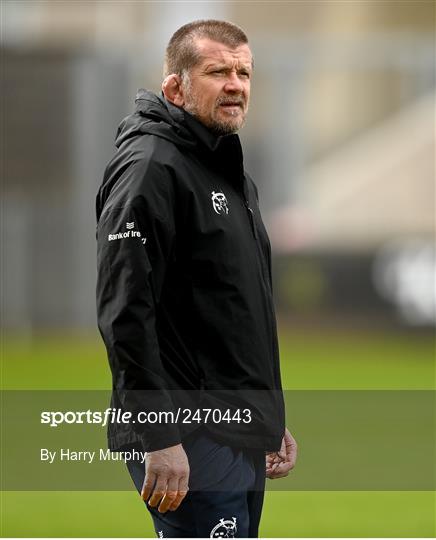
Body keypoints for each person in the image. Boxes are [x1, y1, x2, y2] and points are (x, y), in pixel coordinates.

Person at [96, 19, 297, 538]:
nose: (235, 84)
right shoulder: (150, 166)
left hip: (235, 430)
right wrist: (158, 435)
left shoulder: (227, 170)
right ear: (175, 88)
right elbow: (125, 312)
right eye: (217, 72)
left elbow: (229, 311)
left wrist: (265, 417)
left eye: (243, 72)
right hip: (187, 435)